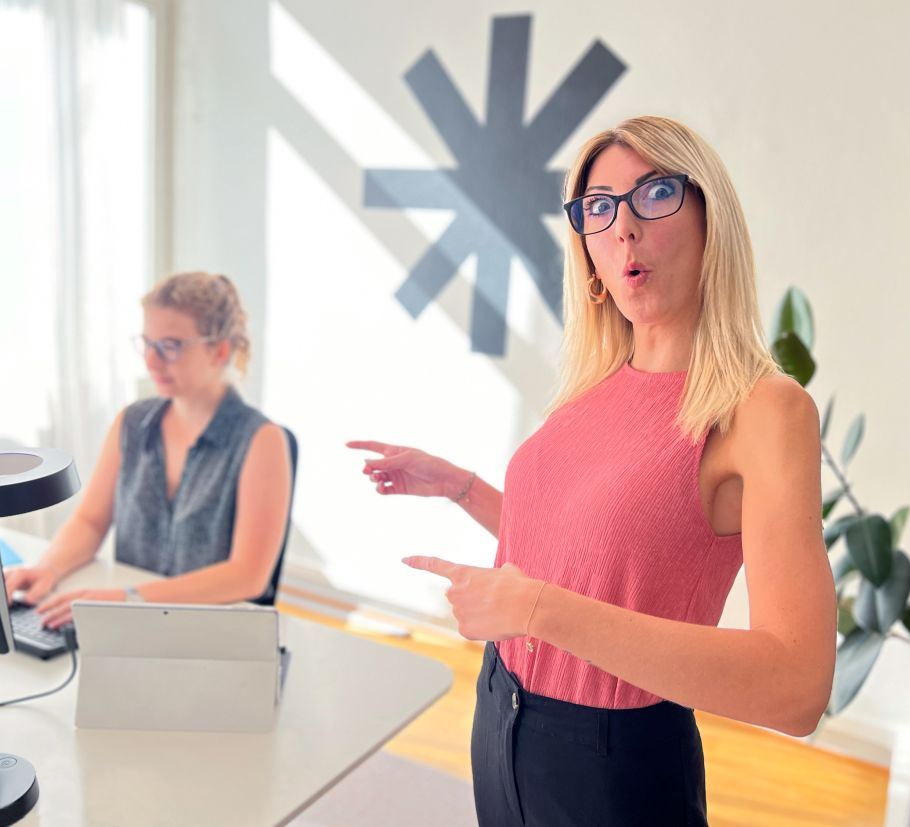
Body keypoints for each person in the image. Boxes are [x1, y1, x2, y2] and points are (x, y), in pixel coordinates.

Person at [349, 116, 835, 825]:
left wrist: (537, 611)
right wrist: (463, 487)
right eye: (599, 209)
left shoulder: (764, 410)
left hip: (610, 765)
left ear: (710, 218)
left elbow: (797, 687)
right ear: (588, 253)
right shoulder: (598, 383)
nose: (624, 228)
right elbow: (593, 550)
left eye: (655, 194)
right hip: (500, 712)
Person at [5, 272, 292, 628]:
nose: (152, 362)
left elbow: (248, 576)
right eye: (147, 343)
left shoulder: (261, 439)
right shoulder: (132, 423)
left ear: (218, 350)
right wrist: (46, 568)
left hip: (211, 630)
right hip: (135, 623)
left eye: (170, 346)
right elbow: (91, 521)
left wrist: (129, 599)